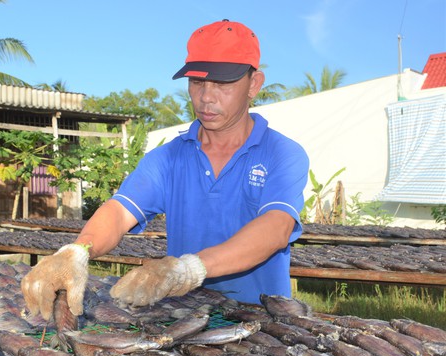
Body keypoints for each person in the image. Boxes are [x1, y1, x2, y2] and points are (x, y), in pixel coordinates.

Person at [21, 19, 309, 321]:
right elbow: (120, 211)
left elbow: (276, 227)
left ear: (254, 84)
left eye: (223, 84)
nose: (206, 96)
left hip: (263, 318)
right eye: (197, 82)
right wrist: (77, 251)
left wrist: (190, 268)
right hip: (185, 313)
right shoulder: (169, 158)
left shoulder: (281, 153)